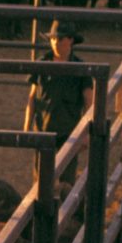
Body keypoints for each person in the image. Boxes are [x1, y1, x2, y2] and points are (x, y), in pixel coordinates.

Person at [25, 21, 88, 150]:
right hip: (43, 131)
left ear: (70, 40)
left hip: (69, 134)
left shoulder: (81, 68)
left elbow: (89, 102)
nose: (55, 43)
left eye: (59, 39)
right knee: (42, 169)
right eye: (53, 39)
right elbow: (32, 98)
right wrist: (26, 128)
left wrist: (84, 133)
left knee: (65, 168)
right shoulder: (41, 64)